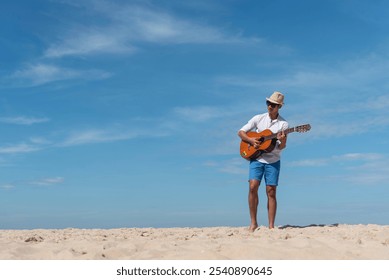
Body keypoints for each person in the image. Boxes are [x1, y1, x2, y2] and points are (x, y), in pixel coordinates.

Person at [238, 91, 289, 231]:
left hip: (273, 160)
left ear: (279, 107)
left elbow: (281, 146)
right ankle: (253, 223)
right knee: (253, 186)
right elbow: (241, 132)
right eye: (269, 103)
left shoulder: (283, 124)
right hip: (257, 157)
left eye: (274, 105)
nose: (270, 106)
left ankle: (271, 226)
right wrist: (251, 140)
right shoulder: (258, 118)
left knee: (271, 191)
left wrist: (283, 140)